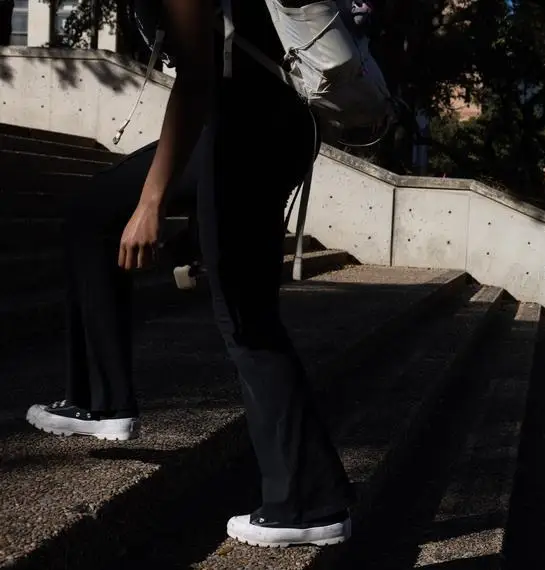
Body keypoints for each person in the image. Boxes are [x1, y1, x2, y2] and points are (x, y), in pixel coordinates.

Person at [25, 0, 353, 548]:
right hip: (254, 125)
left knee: (247, 320)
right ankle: (102, 401)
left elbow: (198, 77)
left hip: (251, 130)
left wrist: (152, 203)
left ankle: (310, 501)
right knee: (91, 215)